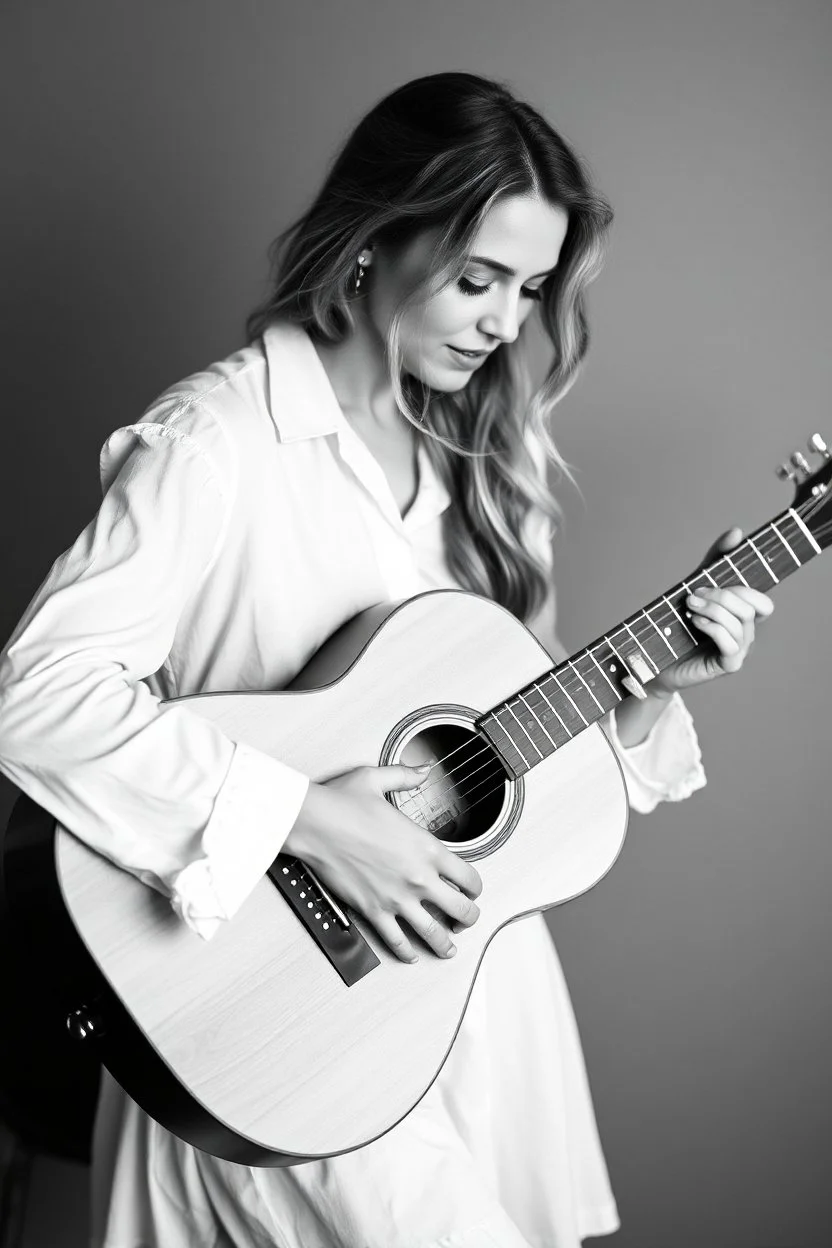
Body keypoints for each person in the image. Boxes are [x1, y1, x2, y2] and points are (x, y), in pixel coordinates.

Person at [0, 71, 774, 1248]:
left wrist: (647, 691)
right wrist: (311, 817)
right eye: (476, 280)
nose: (506, 324)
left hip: (460, 994)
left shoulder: (491, 477)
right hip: (265, 1016)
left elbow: (521, 757)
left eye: (528, 288)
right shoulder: (221, 442)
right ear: (371, 246)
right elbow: (33, 696)